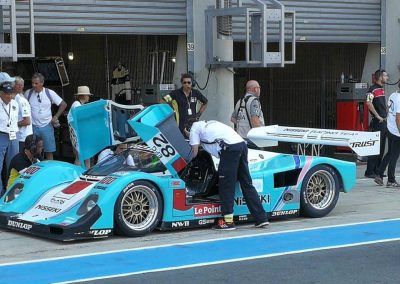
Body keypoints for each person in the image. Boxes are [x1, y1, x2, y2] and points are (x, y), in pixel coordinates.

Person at [186, 119, 269, 230]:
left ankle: (228, 222)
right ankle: (261, 218)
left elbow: (194, 152)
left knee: (226, 185)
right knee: (246, 183)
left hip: (230, 149)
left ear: (189, 128)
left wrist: (185, 161)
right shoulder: (209, 124)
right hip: (241, 145)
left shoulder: (194, 128)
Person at [24, 73, 67, 160]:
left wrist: (55, 117)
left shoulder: (49, 92)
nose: (33, 85)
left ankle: (49, 171)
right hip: (33, 126)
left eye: (36, 83)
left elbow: (63, 104)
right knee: (33, 151)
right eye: (32, 83)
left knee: (49, 151)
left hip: (47, 126)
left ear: (42, 83)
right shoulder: (28, 93)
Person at [374, 83, 400, 187]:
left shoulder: (393, 95)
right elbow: (398, 117)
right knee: (394, 155)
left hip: (389, 127)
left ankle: (379, 174)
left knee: (390, 153)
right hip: (396, 131)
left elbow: (387, 109)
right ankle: (391, 180)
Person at [364, 70, 388, 178]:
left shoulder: (381, 89)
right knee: (376, 147)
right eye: (385, 75)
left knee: (381, 148)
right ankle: (370, 171)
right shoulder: (372, 89)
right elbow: (368, 103)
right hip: (377, 122)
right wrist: (377, 116)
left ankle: (377, 171)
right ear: (379, 77)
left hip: (383, 122)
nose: (387, 77)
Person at [0, 72, 19, 195]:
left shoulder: (15, 103)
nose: (9, 96)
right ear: (1, 93)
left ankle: (13, 190)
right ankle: (1, 191)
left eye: (11, 93)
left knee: (14, 165)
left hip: (13, 135)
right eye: (6, 94)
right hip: (1, 135)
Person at [69, 86, 92, 167]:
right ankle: (76, 175)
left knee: (86, 157)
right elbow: (80, 120)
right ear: (83, 96)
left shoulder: (78, 104)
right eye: (87, 95)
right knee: (80, 158)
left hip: (79, 135)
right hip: (78, 136)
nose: (88, 97)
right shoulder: (77, 104)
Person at [12, 76, 33, 151]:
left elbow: (27, 121)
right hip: (19, 137)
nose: (20, 87)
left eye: (22, 85)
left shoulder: (21, 100)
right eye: (18, 84)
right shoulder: (15, 99)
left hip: (23, 138)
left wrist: (12, 125)